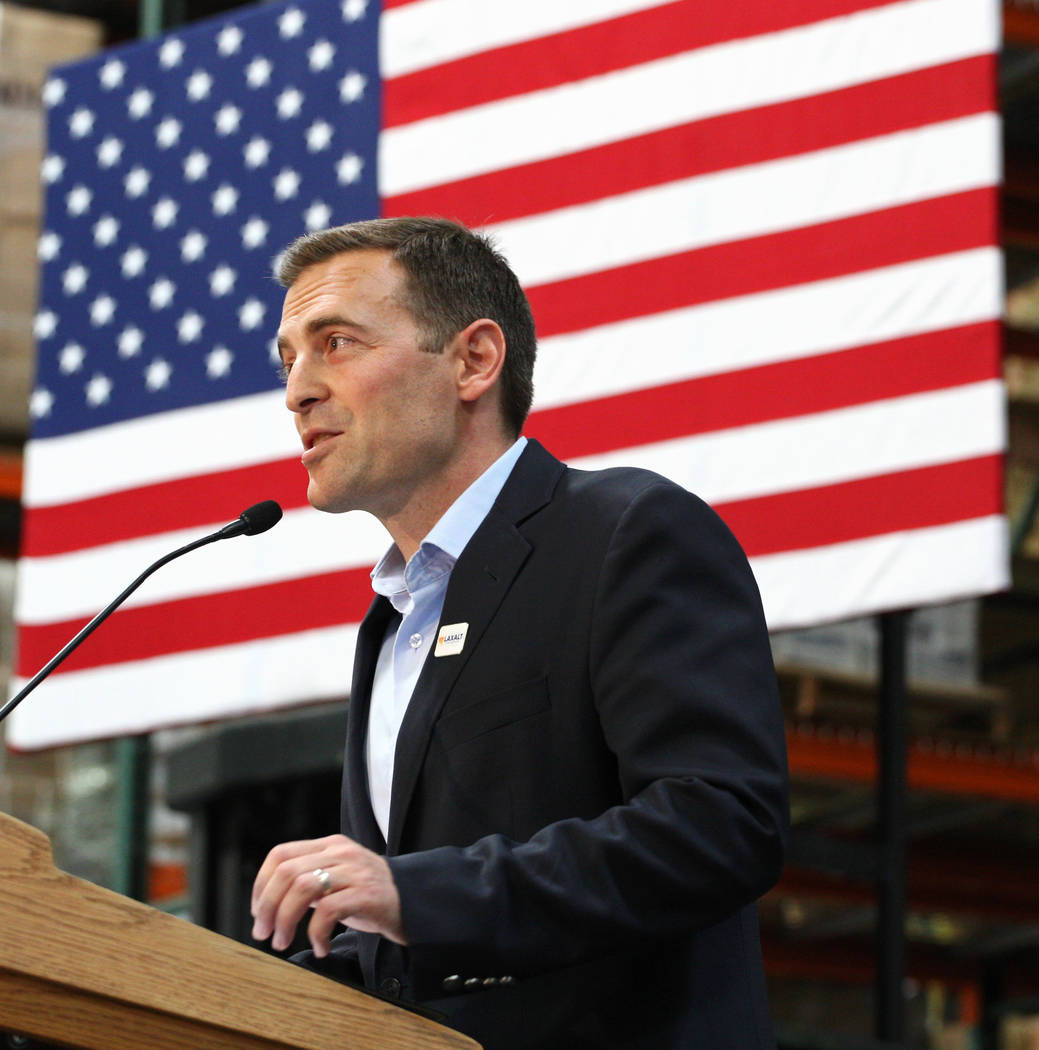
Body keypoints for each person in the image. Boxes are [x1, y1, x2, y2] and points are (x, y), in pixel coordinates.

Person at [250, 216, 789, 1049]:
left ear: (473, 360)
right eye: (288, 359)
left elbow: (719, 825)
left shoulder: (625, 532)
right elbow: (408, 944)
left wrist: (415, 893)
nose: (298, 391)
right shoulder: (390, 622)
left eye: (337, 343)